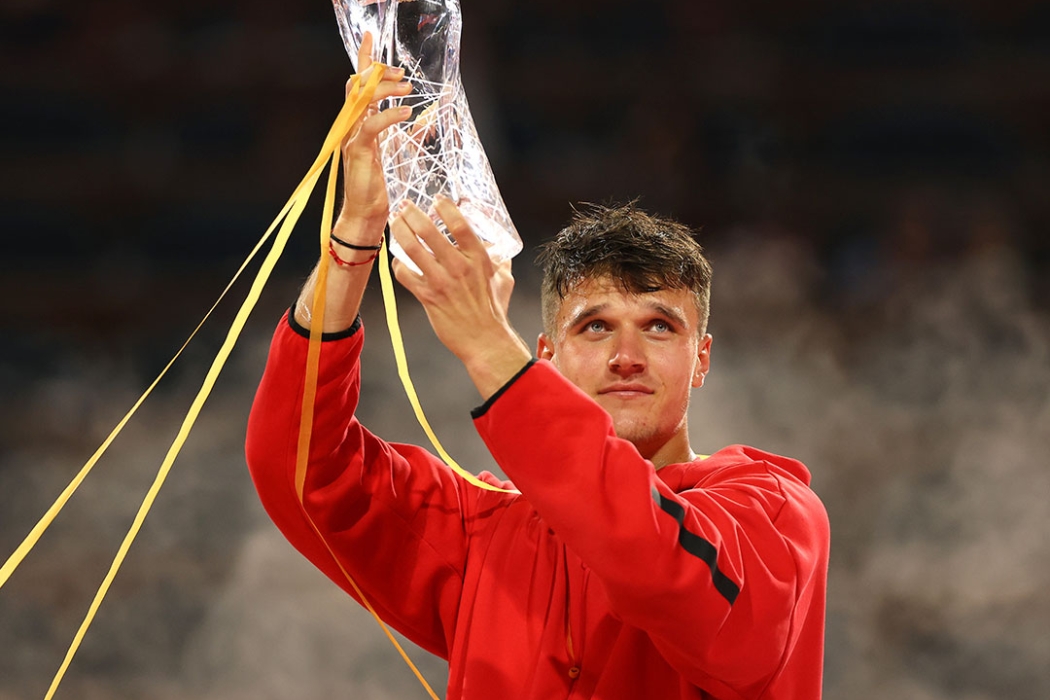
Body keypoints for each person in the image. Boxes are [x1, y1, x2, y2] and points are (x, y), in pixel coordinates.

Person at [246, 45, 829, 700]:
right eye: (594, 326)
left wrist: (488, 347)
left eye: (660, 326)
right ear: (547, 356)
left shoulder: (772, 511)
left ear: (701, 359)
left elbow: (658, 569)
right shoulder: (484, 530)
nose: (626, 354)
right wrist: (354, 239)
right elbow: (300, 468)